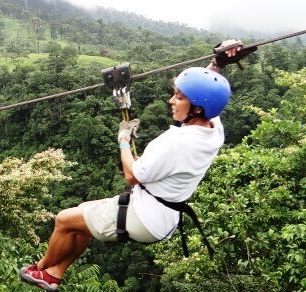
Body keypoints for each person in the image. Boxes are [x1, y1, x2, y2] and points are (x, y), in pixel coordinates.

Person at [19, 39, 245, 291]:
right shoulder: (213, 128)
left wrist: (123, 140)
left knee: (63, 220)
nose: (171, 100)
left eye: (179, 97)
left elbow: (132, 175)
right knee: (82, 216)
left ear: (197, 107)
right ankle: (56, 273)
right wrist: (218, 64)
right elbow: (207, 91)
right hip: (163, 215)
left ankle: (40, 270)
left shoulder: (176, 142)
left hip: (144, 217)